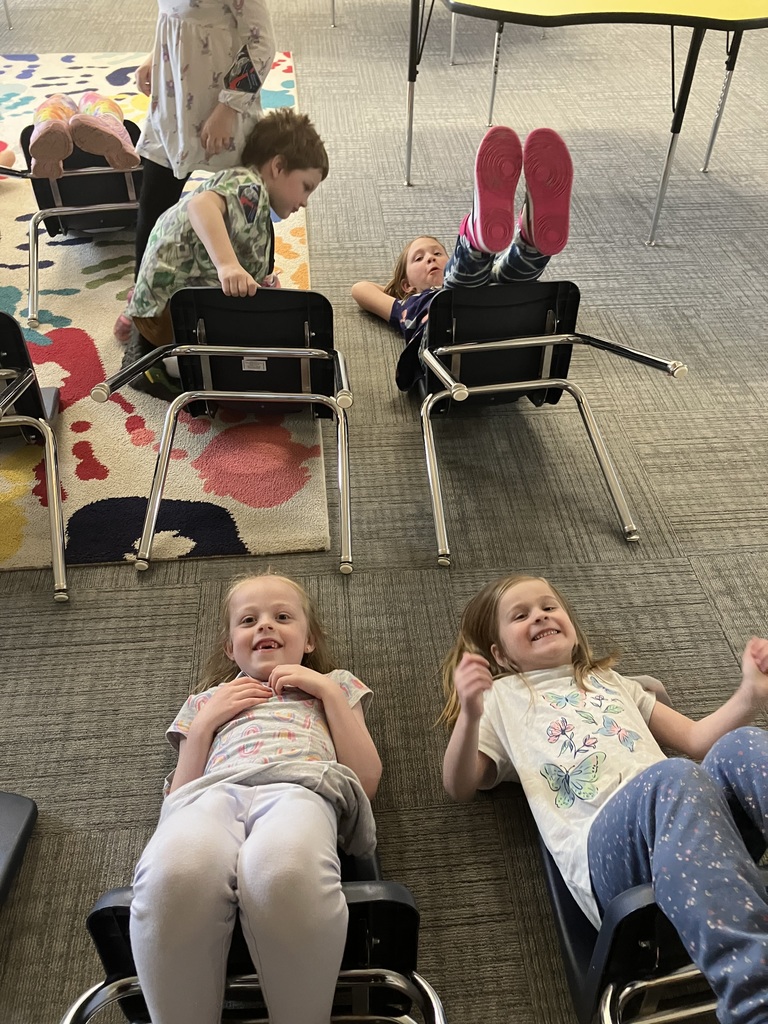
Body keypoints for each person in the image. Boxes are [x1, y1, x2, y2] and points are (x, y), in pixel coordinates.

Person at [440, 572, 768, 1024]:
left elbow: (696, 739)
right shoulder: (500, 698)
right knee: (672, 776)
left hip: (689, 823)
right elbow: (459, 785)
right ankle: (756, 1000)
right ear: (500, 655)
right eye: (521, 615)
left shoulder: (612, 680)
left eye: (549, 607)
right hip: (611, 858)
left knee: (742, 745)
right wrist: (469, 714)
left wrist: (749, 695)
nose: (540, 616)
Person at [130, 573, 382, 1024]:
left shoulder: (335, 684)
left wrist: (325, 691)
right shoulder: (205, 701)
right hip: (210, 795)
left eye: (282, 617)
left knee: (282, 872)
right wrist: (205, 723)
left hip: (299, 789)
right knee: (175, 874)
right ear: (230, 647)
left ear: (309, 640)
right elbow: (177, 801)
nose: (265, 625)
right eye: (249, 620)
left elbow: (364, 781)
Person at [121, 107, 328, 399]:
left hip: (170, 307)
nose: (305, 202)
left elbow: (245, 247)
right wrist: (228, 265)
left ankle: (157, 348)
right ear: (278, 166)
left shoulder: (253, 197)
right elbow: (200, 205)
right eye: (306, 187)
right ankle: (167, 365)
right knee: (261, 351)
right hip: (171, 314)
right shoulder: (248, 185)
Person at [351, 125, 573, 391]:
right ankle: (500, 240)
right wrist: (400, 291)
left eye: (437, 253)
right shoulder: (406, 306)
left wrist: (423, 281)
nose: (430, 259)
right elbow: (359, 289)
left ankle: (526, 237)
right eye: (418, 259)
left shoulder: (423, 298)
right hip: (457, 361)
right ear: (407, 284)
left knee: (497, 280)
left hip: (494, 345)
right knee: (467, 289)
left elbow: (362, 288)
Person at [114, 0, 276, 341]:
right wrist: (154, 55)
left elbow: (261, 43)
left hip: (223, 107)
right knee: (153, 201)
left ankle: (261, 283)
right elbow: (174, 15)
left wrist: (228, 107)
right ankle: (144, 297)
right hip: (173, 100)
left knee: (246, 201)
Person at [26, 92, 140, 178]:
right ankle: (112, 125)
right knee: (92, 98)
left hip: (60, 198)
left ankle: (46, 126)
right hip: (129, 194)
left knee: (57, 102)